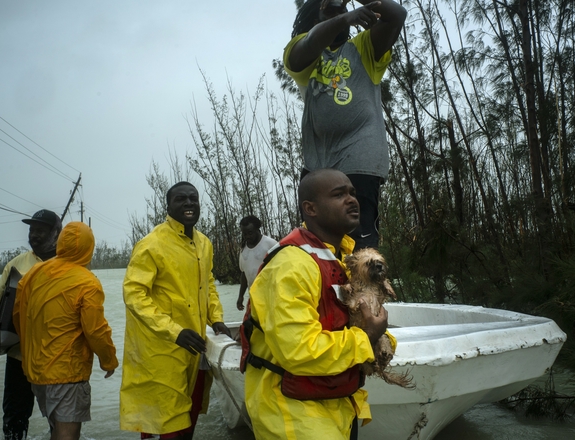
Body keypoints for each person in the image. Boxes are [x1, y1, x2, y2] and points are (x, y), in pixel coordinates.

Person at [243, 169, 393, 439]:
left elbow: (346, 321)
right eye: (338, 194)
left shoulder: (341, 260)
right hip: (295, 416)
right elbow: (299, 351)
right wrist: (368, 336)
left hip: (337, 405)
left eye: (352, 193)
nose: (351, 200)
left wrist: (382, 339)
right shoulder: (292, 265)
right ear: (310, 208)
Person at [284, 0, 407, 250]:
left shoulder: (364, 46)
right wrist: (344, 19)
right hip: (317, 164)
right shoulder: (300, 48)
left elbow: (397, 15)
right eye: (330, 9)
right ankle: (327, 289)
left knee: (360, 243)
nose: (342, 14)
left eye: (343, 8)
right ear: (312, 17)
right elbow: (308, 44)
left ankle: (365, 290)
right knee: (316, 242)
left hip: (361, 161)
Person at [120, 181, 231, 440]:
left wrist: (216, 318)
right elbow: (134, 294)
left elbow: (208, 283)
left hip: (193, 345)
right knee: (164, 421)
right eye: (181, 199)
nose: (189, 203)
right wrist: (174, 331)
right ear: (168, 206)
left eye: (194, 198)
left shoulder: (204, 243)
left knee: (188, 416)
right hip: (160, 348)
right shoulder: (152, 244)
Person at [13, 221, 118, 440]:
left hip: (37, 373)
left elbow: (18, 316)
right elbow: (96, 330)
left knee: (56, 430)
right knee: (67, 435)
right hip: (67, 373)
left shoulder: (33, 273)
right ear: (89, 248)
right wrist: (108, 360)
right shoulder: (87, 282)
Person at [0, 209, 62, 440]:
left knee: (61, 420)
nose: (34, 235)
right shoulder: (16, 264)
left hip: (56, 358)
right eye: (31, 230)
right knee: (14, 418)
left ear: (56, 233)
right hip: (18, 356)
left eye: (41, 230)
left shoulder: (70, 264)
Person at [236, 215, 277, 311]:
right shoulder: (243, 250)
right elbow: (244, 274)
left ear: (257, 229)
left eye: (250, 233)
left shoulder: (271, 244)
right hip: (254, 298)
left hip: (272, 298)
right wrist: (240, 296)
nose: (247, 236)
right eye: (244, 234)